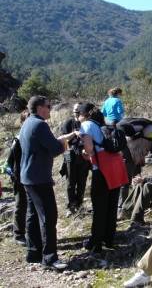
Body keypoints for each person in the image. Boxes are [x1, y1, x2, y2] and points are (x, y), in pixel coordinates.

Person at [19, 96, 77, 270]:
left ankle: (33, 252)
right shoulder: (40, 124)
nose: (50, 109)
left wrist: (62, 138)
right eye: (48, 106)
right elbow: (56, 149)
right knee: (48, 216)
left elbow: (43, 146)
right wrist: (65, 141)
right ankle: (50, 258)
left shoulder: (28, 122)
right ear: (39, 108)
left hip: (28, 177)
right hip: (39, 178)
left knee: (33, 215)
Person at [78, 102, 128, 253]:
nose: (77, 118)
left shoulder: (86, 125)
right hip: (116, 166)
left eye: (78, 114)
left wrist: (86, 154)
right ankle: (109, 239)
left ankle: (95, 243)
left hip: (102, 170)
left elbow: (89, 148)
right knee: (112, 205)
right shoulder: (103, 124)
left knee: (99, 207)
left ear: (84, 115)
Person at [60, 103, 90, 216]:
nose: (76, 112)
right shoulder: (69, 123)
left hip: (83, 155)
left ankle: (79, 204)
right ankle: (71, 206)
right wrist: (74, 134)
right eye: (75, 109)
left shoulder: (86, 124)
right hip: (69, 154)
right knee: (70, 181)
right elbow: (63, 139)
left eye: (79, 110)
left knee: (82, 181)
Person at [6, 110, 29, 245]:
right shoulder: (18, 139)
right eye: (27, 119)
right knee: (21, 204)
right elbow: (9, 161)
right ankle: (19, 234)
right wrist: (13, 175)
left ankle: (32, 233)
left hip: (32, 177)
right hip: (19, 177)